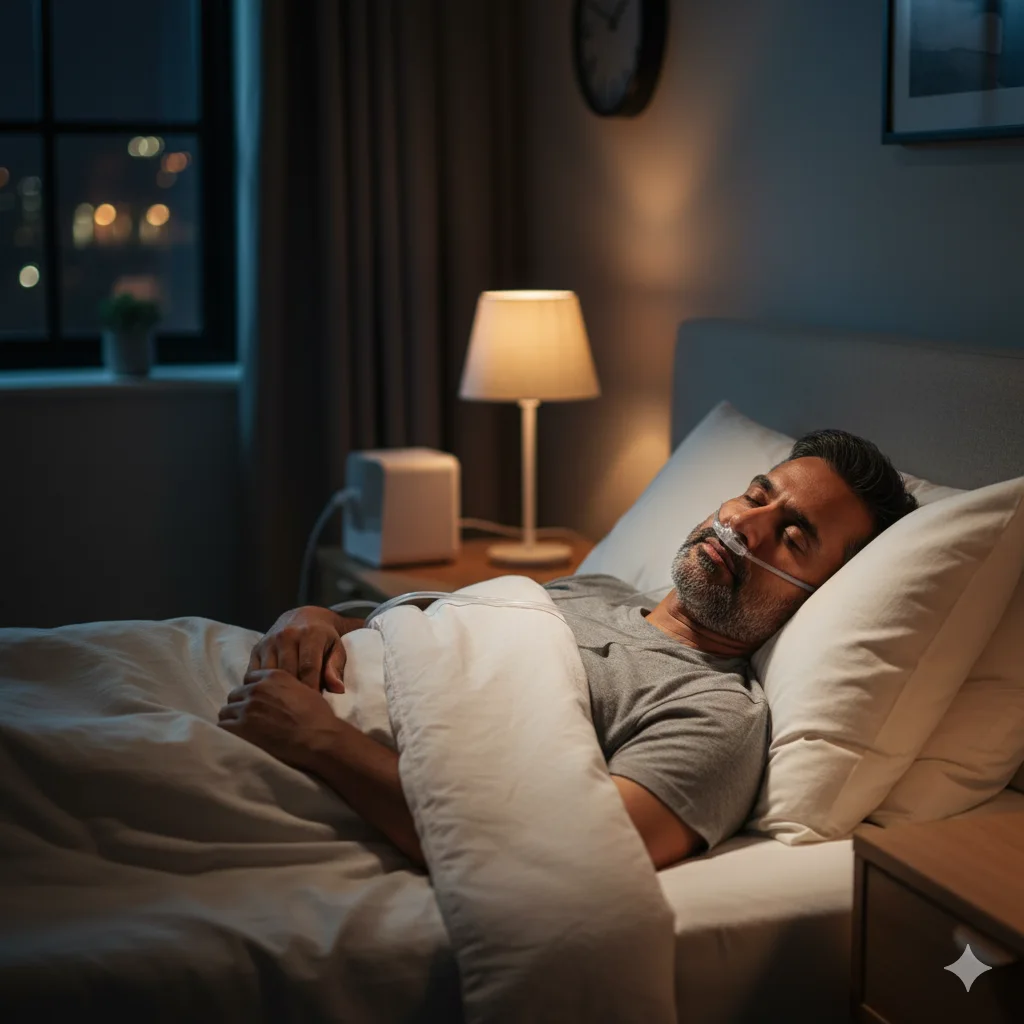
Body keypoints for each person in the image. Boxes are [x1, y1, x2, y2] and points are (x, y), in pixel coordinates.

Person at [217, 430, 918, 871]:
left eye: (793, 537)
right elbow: (407, 629)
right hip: (254, 678)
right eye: (755, 495)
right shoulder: (599, 587)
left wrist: (317, 741)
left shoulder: (714, 714)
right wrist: (309, 617)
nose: (744, 526)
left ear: (819, 594)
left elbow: (557, 855)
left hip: (288, 764)